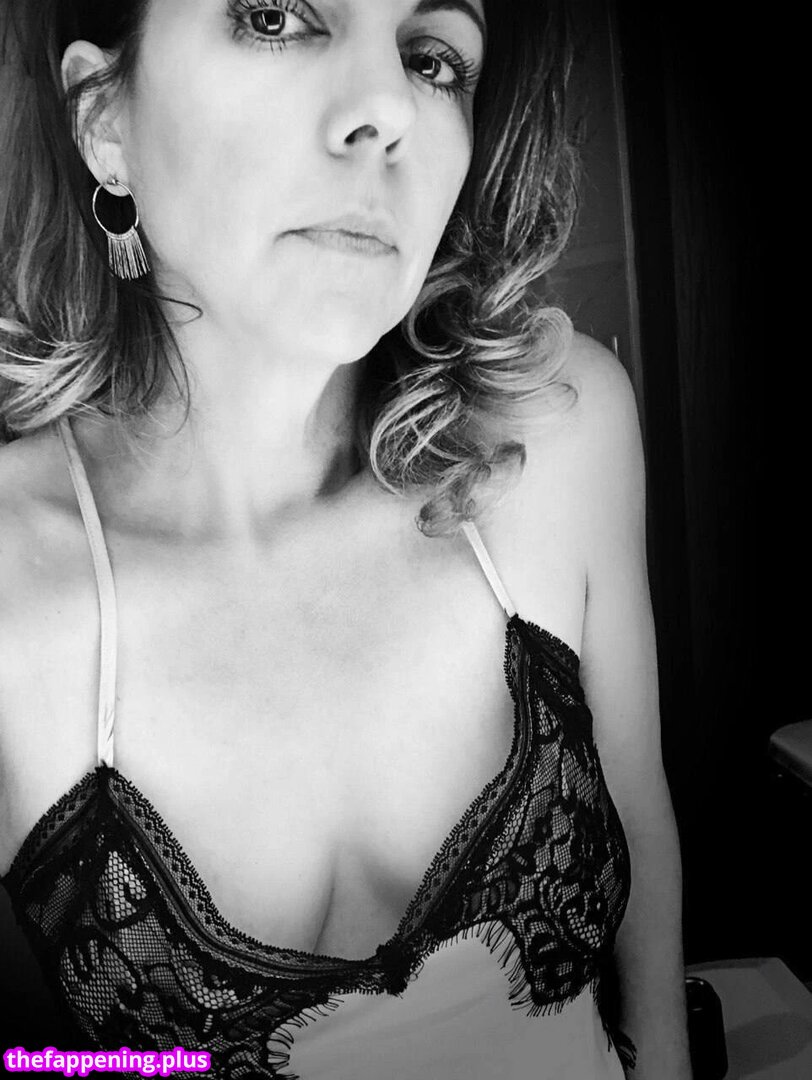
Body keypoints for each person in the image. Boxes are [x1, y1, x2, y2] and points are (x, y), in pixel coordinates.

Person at [0, 0, 692, 1076]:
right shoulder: (14, 586)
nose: (387, 107)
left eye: (432, 58)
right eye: (274, 16)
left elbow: (638, 821)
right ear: (104, 121)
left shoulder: (555, 432)